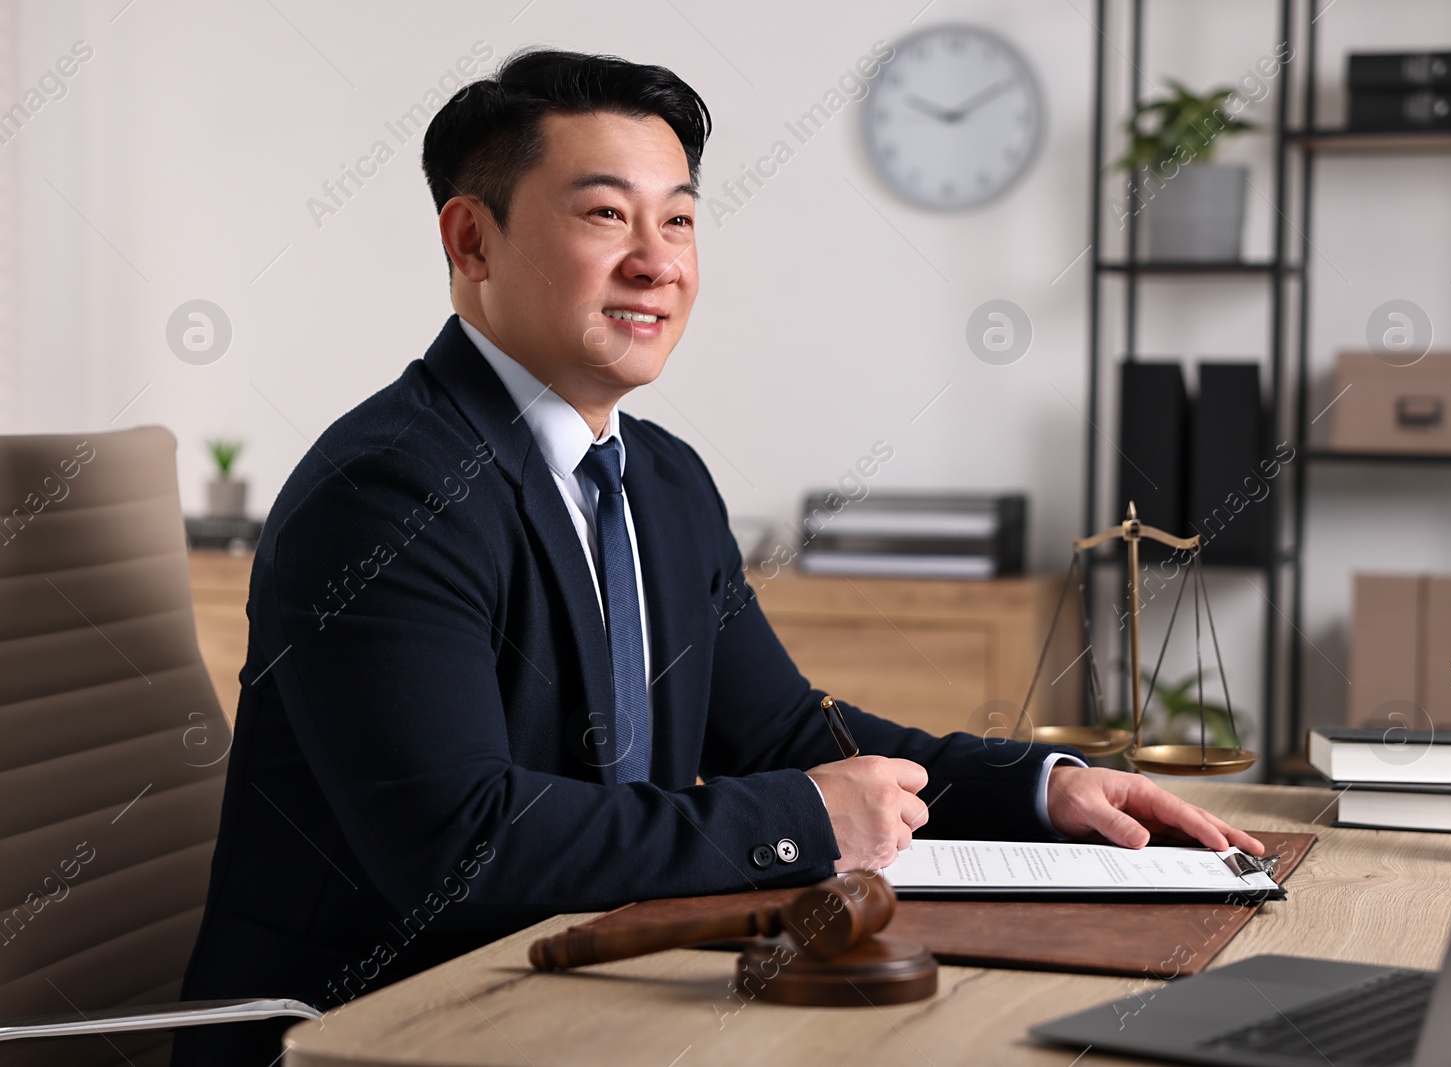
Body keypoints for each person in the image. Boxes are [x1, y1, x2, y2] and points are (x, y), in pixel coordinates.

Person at [172, 48, 1261, 1066]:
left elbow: (783, 731)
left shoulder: (662, 478)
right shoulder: (391, 490)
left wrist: (1040, 788)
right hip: (377, 1024)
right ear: (471, 242)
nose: (656, 263)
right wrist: (802, 818)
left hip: (591, 982)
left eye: (680, 221)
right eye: (606, 214)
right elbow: (462, 847)